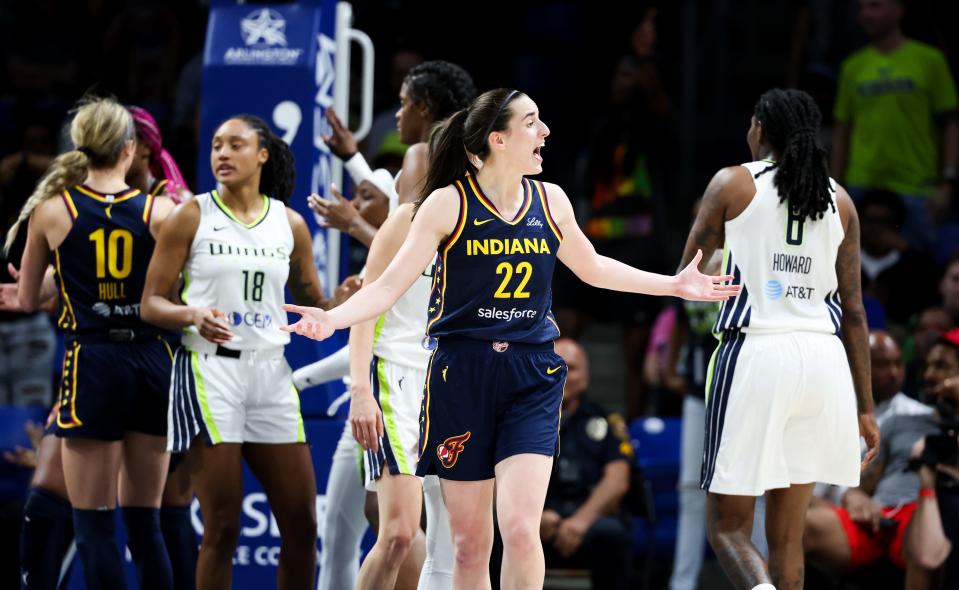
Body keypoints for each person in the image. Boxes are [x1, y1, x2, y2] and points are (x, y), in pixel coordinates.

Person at [283, 87, 738, 588]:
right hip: (462, 375)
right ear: (497, 139)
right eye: (532, 123)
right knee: (471, 547)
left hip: (530, 374)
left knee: (521, 531)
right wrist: (333, 320)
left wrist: (672, 284)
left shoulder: (552, 200)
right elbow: (388, 286)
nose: (545, 132)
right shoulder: (445, 205)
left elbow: (593, 267)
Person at [678, 87, 880, 589]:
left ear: (761, 130)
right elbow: (854, 310)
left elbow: (688, 277)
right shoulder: (843, 202)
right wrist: (866, 408)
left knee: (727, 527)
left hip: (758, 354)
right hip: (825, 363)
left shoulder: (732, 183)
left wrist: (732, 270)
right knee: (788, 539)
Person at [2, 104, 198, 590]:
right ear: (129, 149)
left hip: (93, 362)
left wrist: (52, 286)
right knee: (145, 525)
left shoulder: (53, 210)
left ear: (78, 145)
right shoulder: (162, 211)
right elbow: (178, 297)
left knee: (93, 527)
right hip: (154, 361)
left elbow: (28, 298)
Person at [140, 114, 335, 590]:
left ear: (263, 155)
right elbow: (151, 303)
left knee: (303, 526)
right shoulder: (191, 214)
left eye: (235, 145)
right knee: (223, 526)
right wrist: (191, 314)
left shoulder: (290, 224)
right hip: (209, 372)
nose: (222, 154)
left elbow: (315, 301)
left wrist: (347, 298)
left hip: (272, 376)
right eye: (216, 146)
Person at [305, 60, 476, 590]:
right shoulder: (416, 200)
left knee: (441, 540)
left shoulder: (487, 216)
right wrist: (359, 385)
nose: (397, 116)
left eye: (403, 104)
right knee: (394, 531)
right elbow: (385, 278)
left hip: (445, 378)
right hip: (392, 371)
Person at [802, 331, 933, 580]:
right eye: (883, 365)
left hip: (896, 513)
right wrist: (849, 501)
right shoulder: (829, 411)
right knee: (793, 522)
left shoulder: (918, 415)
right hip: (844, 514)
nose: (894, 373)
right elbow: (805, 491)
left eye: (898, 363)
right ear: (858, 367)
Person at [831, 0, 958, 252]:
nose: (865, 14)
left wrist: (948, 181)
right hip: (861, 185)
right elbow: (842, 130)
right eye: (862, 8)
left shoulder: (930, 60)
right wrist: (835, 187)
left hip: (917, 187)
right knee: (853, 273)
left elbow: (951, 123)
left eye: (874, 6)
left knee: (918, 270)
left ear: (900, 10)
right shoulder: (852, 67)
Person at [536, 338, 633, 590]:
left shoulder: (607, 422)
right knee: (500, 533)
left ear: (587, 376)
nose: (565, 373)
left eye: (573, 367)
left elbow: (617, 480)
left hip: (588, 520)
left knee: (612, 535)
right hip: (536, 519)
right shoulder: (522, 418)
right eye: (557, 364)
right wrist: (533, 518)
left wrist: (580, 521)